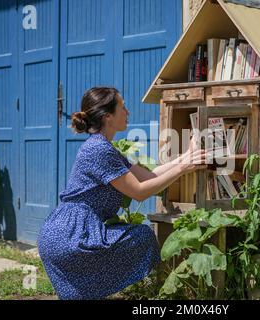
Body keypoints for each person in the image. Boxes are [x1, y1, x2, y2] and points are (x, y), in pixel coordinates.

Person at [37, 87, 207, 300]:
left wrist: (186, 158)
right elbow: (140, 192)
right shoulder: (99, 150)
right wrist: (183, 167)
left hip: (69, 231)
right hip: (71, 234)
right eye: (123, 107)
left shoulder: (105, 147)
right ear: (108, 116)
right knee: (143, 236)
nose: (128, 112)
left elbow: (148, 176)